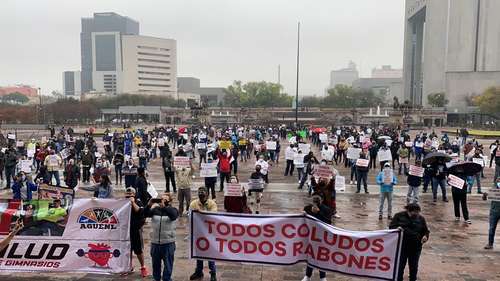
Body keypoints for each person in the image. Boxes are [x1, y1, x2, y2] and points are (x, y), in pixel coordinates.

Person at [390, 203, 429, 281]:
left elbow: (426, 231)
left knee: (414, 266)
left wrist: (425, 236)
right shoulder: (398, 216)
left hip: (416, 247)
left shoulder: (421, 218)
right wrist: (397, 228)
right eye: (414, 212)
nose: (416, 214)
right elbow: (391, 227)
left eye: (418, 212)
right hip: (402, 247)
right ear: (408, 211)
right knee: (400, 266)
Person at [144, 193, 179, 281]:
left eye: (165, 200)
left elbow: (173, 216)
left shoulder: (173, 210)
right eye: (161, 199)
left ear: (170, 202)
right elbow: (144, 214)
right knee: (155, 266)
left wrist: (165, 207)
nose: (162, 201)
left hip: (168, 243)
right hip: (155, 243)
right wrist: (149, 204)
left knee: (168, 266)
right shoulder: (155, 210)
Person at [189, 187, 218, 281]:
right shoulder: (194, 203)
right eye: (200, 196)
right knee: (199, 253)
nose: (202, 198)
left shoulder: (212, 204)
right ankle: (199, 271)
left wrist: (200, 213)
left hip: (210, 233)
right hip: (198, 232)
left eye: (203, 196)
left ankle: (213, 273)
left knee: (210, 254)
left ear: (207, 195)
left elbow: (213, 215)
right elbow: (190, 215)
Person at [301, 195, 330, 281]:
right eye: (313, 202)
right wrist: (303, 215)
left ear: (321, 202)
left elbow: (328, 222)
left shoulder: (326, 209)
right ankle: (308, 275)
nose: (314, 205)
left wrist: (319, 213)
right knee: (310, 254)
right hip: (310, 235)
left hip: (321, 236)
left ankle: (323, 276)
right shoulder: (308, 208)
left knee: (321, 256)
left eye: (317, 203)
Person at [483, 178, 500, 249]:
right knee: (491, 228)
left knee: (492, 228)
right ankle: (490, 244)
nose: (498, 182)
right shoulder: (493, 189)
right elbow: (484, 198)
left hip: (494, 211)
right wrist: (485, 195)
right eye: (498, 181)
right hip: (494, 212)